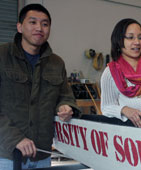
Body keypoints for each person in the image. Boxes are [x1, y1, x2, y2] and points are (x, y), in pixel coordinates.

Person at [0, 3, 80, 170]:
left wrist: (65, 106)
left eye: (45, 24)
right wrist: (14, 138)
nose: (39, 28)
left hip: (42, 155)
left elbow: (65, 96)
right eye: (33, 22)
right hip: (5, 154)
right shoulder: (2, 56)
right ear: (20, 27)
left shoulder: (56, 63)